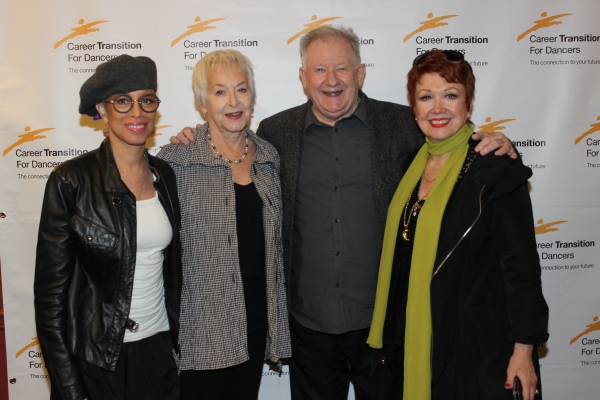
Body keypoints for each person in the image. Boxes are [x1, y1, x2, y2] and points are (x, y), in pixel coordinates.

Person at [172, 27, 515, 400]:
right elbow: (227, 148)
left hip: (382, 323)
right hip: (307, 330)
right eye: (319, 70)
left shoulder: (403, 125)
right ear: (304, 78)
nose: (331, 81)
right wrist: (194, 137)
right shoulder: (276, 134)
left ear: (361, 73)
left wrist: (493, 143)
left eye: (342, 69)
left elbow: (450, 145)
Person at [367, 50, 549, 400]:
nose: (438, 108)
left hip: (472, 348)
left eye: (450, 95)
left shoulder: (495, 169)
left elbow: (522, 268)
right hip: (408, 338)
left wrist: (524, 351)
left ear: (468, 103)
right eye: (426, 97)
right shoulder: (410, 164)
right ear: (414, 107)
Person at [34, 55, 182, 400]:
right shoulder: (71, 181)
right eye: (122, 101)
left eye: (146, 100)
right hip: (98, 360)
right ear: (102, 109)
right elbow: (50, 300)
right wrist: (70, 388)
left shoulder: (166, 175)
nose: (137, 112)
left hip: (158, 351)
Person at [157, 49, 291, 400]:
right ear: (203, 104)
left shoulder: (268, 157)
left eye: (241, 89)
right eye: (219, 92)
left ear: (252, 97)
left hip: (255, 320)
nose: (233, 101)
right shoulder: (176, 161)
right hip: (200, 328)